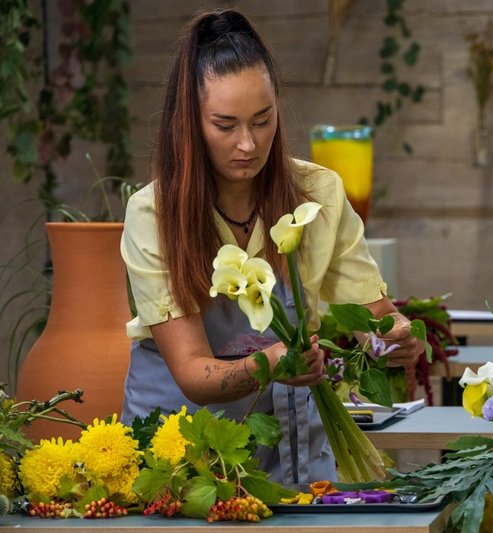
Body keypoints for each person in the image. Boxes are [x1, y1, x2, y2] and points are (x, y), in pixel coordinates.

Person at [120, 8, 422, 484]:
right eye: (225, 125)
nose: (248, 144)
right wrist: (272, 361)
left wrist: (393, 339)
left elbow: (374, 319)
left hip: (293, 450)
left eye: (262, 120)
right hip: (182, 458)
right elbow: (194, 375)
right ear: (189, 123)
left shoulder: (318, 194)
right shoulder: (153, 214)